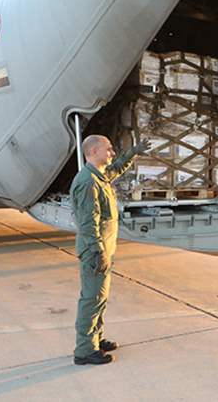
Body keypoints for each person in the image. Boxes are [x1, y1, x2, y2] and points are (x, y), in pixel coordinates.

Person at [71, 135, 150, 365]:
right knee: (91, 299)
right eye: (108, 149)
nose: (112, 153)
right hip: (95, 251)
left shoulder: (99, 176)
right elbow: (88, 222)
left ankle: (95, 338)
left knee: (100, 297)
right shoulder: (88, 182)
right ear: (94, 151)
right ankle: (84, 350)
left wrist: (133, 152)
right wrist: (98, 252)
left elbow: (116, 169)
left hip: (103, 248)